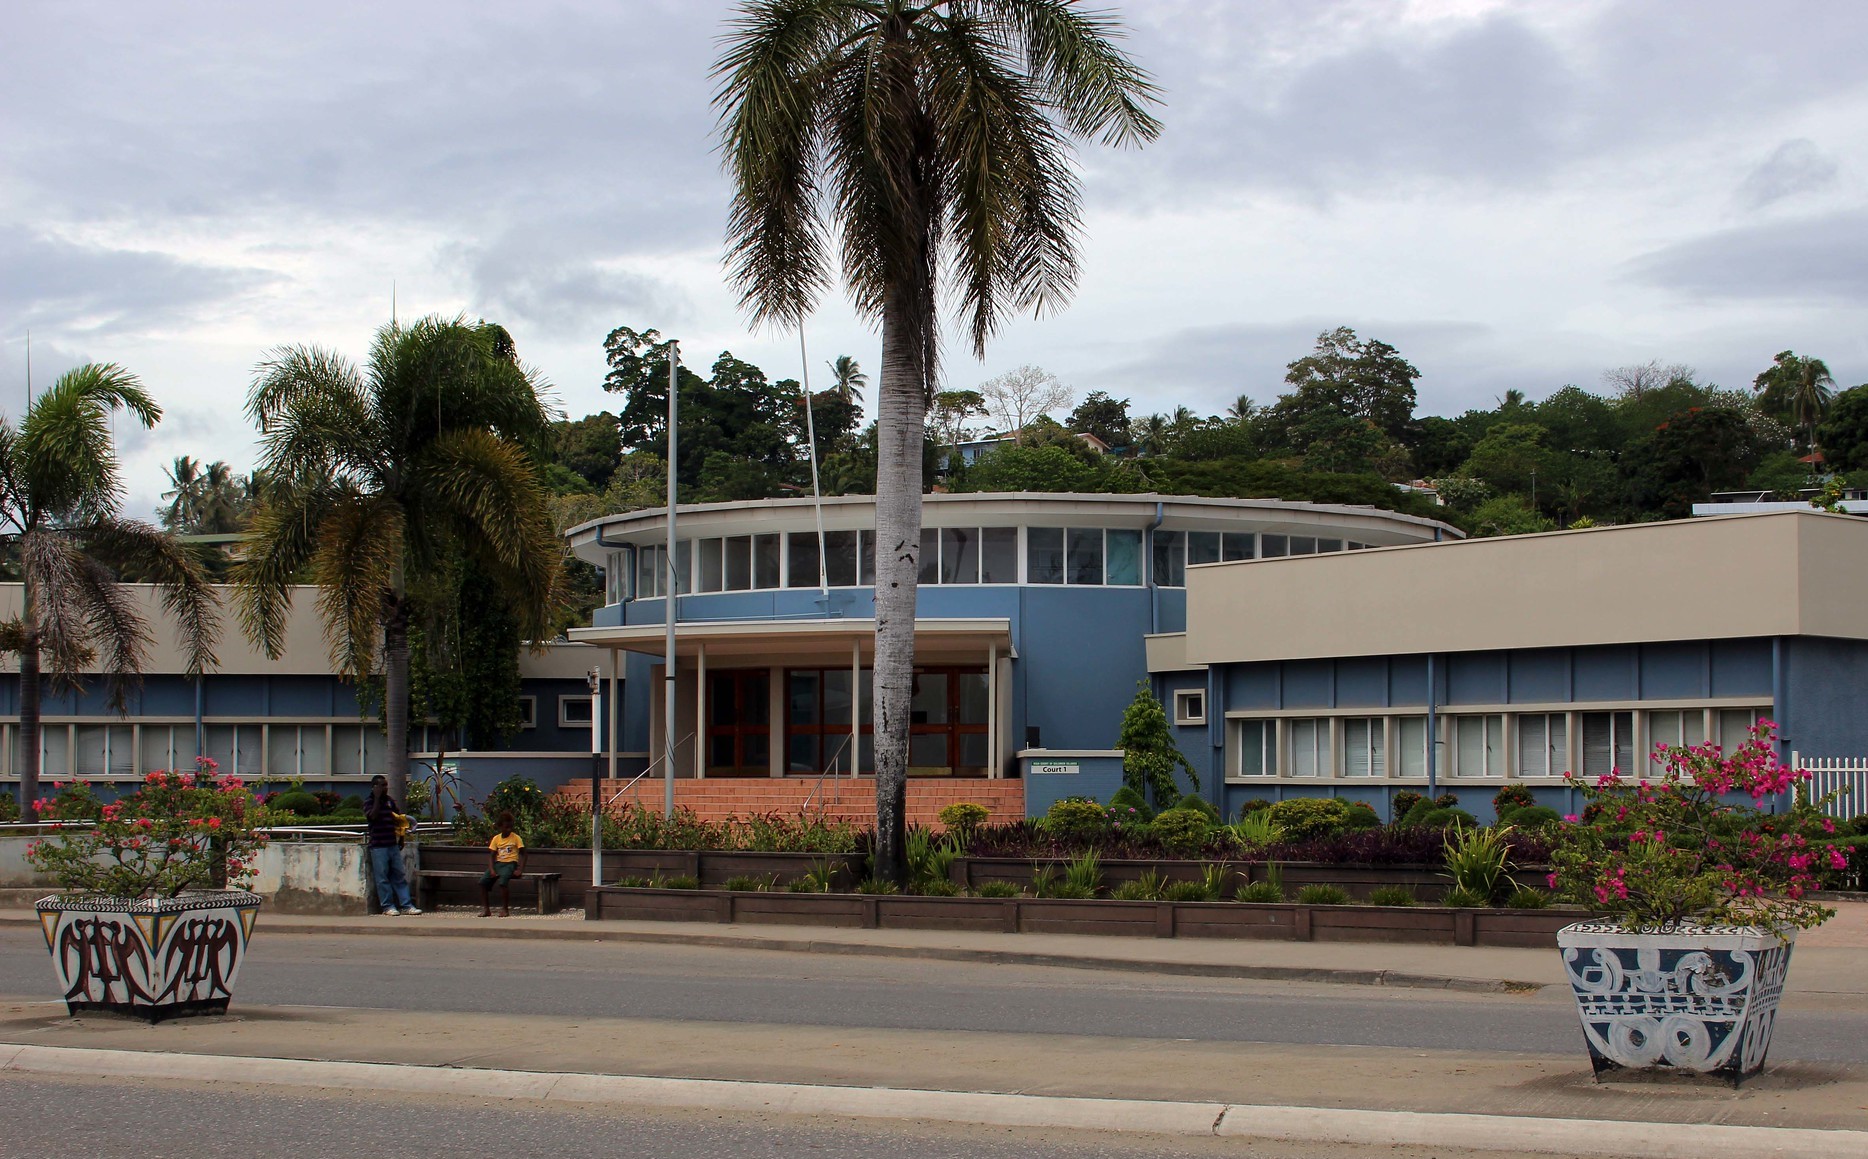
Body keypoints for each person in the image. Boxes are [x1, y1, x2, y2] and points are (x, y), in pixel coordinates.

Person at [365, 774, 421, 915]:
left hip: (392, 843)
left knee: (398, 875)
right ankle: (387, 906)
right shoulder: (369, 801)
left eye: (386, 785)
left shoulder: (390, 802)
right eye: (382, 785)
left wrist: (401, 839)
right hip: (378, 845)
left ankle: (406, 904)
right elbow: (373, 816)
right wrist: (377, 798)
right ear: (375, 787)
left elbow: (398, 821)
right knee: (382, 877)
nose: (385, 788)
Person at [479, 811, 527, 917]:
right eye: (506, 827)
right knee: (482, 882)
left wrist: (520, 869)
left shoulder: (516, 838)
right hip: (498, 863)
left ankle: (505, 909)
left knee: (503, 881)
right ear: (500, 827)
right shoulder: (496, 839)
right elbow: (491, 855)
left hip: (510, 863)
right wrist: (491, 869)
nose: (509, 830)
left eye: (510, 827)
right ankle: (486, 909)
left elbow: (524, 854)